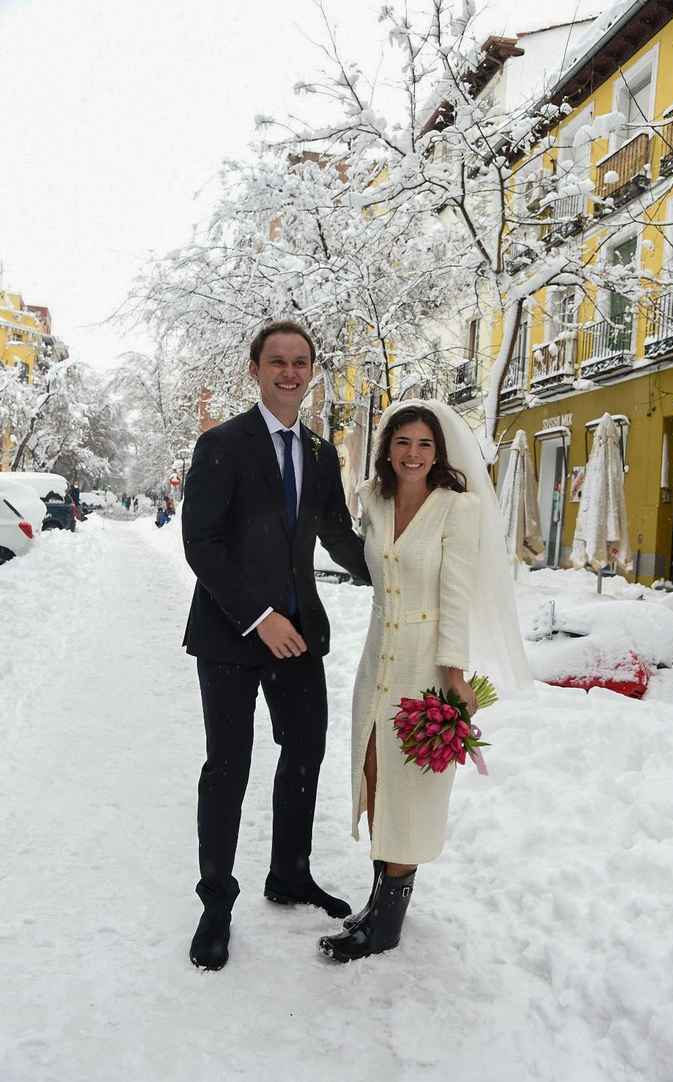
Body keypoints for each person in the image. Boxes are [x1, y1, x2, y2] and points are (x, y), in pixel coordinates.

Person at [181, 319, 369, 971]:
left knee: (305, 751)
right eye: (277, 361)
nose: (290, 371)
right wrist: (259, 615)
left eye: (301, 361)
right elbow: (200, 544)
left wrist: (395, 566)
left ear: (311, 369)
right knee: (227, 766)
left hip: (299, 634)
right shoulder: (222, 445)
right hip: (232, 633)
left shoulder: (319, 455)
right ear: (255, 369)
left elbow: (339, 537)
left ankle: (289, 872)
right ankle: (216, 902)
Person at [318, 401, 533, 963]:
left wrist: (454, 674)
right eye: (403, 443)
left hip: (424, 663)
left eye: (425, 445)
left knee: (409, 789)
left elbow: (455, 595)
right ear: (387, 447)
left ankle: (387, 923)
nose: (413, 455)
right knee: (374, 771)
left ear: (439, 453)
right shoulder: (374, 500)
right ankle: (374, 901)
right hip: (377, 656)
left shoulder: (457, 509)